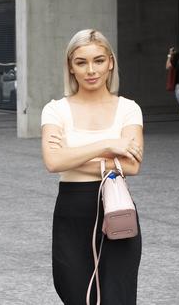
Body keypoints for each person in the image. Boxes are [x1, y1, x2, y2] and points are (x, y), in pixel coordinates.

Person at [41, 29, 144, 304]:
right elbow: (53, 161)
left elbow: (132, 166)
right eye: (81, 62)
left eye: (98, 60)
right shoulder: (55, 110)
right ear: (70, 67)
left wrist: (71, 156)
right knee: (74, 293)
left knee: (117, 297)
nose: (91, 70)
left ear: (110, 62)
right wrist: (107, 145)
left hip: (116, 208)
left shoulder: (128, 109)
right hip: (72, 211)